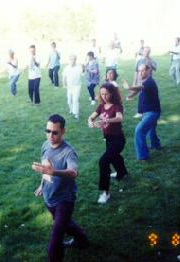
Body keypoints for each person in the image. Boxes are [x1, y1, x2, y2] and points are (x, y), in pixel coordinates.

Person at [32, 114, 89, 262]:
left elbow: (73, 172)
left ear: (63, 131)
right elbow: (46, 168)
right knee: (66, 224)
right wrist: (42, 184)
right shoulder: (45, 145)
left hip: (64, 200)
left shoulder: (68, 152)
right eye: (48, 131)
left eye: (55, 132)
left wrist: (54, 172)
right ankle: (82, 240)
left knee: (55, 240)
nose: (50, 135)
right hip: (49, 198)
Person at [88, 83, 128, 204]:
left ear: (112, 93)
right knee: (114, 156)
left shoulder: (117, 106)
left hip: (118, 139)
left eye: (106, 94)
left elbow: (120, 118)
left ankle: (105, 192)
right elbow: (91, 117)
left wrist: (107, 120)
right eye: (102, 94)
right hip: (108, 139)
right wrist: (91, 122)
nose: (104, 96)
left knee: (104, 161)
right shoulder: (101, 106)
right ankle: (122, 173)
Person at [122, 64, 161, 160]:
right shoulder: (144, 81)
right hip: (148, 112)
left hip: (152, 113)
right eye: (139, 71)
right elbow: (139, 90)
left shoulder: (149, 82)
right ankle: (156, 145)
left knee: (139, 131)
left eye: (143, 70)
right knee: (152, 130)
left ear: (148, 71)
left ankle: (143, 156)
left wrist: (129, 88)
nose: (140, 73)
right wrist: (130, 96)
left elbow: (140, 88)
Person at [132, 47, 157, 118]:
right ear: (143, 52)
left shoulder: (152, 60)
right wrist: (134, 82)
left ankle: (149, 110)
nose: (147, 52)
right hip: (140, 81)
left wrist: (150, 63)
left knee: (147, 96)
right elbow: (136, 71)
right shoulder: (139, 60)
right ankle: (140, 112)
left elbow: (155, 68)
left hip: (148, 82)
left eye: (148, 51)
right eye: (145, 51)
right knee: (141, 96)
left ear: (150, 52)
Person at [63, 55, 84, 119]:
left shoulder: (79, 67)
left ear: (76, 60)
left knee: (75, 100)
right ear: (69, 60)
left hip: (77, 86)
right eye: (71, 59)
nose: (73, 60)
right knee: (69, 101)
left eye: (74, 59)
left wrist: (83, 67)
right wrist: (64, 84)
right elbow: (64, 76)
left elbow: (83, 73)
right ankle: (71, 109)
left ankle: (76, 113)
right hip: (69, 86)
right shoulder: (67, 67)